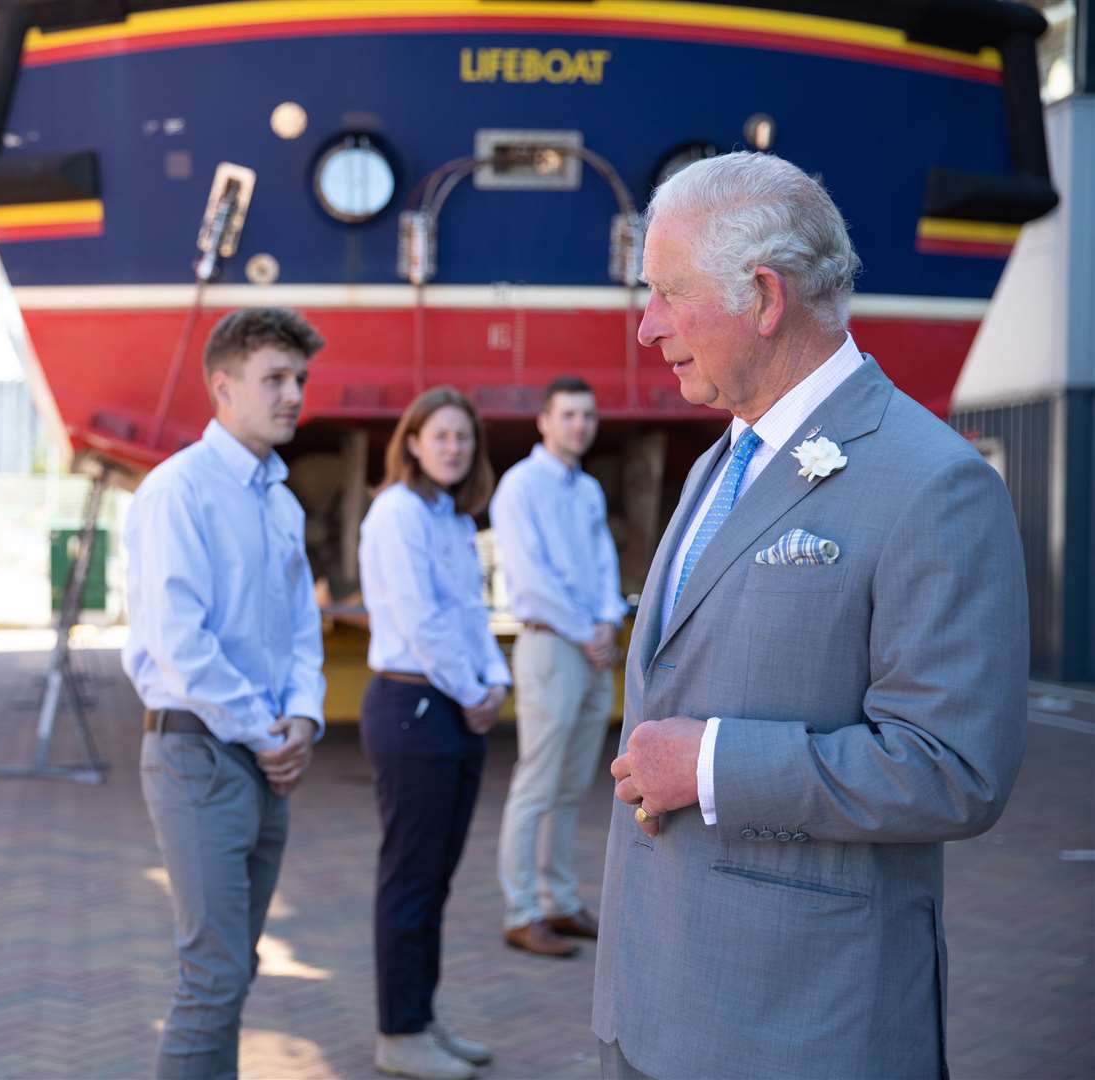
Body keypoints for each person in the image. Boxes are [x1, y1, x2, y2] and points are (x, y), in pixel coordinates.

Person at [594, 152, 1028, 1079]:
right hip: (653, 1002)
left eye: (668, 293)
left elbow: (954, 770)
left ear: (763, 295)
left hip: (799, 1026)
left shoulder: (935, 483)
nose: (646, 326)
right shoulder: (723, 460)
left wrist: (710, 763)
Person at [122, 307, 328, 1080]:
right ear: (223, 385)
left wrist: (303, 716)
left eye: (298, 379)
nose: (293, 395)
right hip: (199, 754)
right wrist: (265, 732)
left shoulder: (280, 500)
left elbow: (299, 632)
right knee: (211, 979)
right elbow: (180, 644)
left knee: (232, 972)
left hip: (260, 753)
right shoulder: (180, 491)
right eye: (274, 378)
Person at [357, 386, 507, 1080]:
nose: (454, 447)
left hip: (452, 707)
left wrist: (494, 680)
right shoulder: (397, 514)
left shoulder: (449, 517)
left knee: (436, 880)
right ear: (412, 441)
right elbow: (420, 621)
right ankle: (398, 1033)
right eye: (440, 435)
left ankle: (421, 1017)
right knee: (410, 879)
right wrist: (476, 691)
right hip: (414, 706)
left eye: (464, 437)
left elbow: (470, 616)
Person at [490, 375, 625, 958]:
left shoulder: (588, 489)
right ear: (543, 421)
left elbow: (603, 564)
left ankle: (560, 900)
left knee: (572, 784)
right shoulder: (519, 487)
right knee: (537, 782)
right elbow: (529, 577)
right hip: (549, 645)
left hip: (589, 647)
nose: (579, 425)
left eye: (587, 416)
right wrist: (585, 631)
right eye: (568, 415)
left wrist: (608, 621)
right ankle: (521, 911)